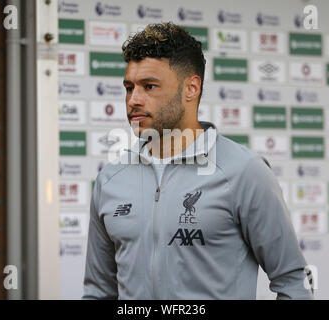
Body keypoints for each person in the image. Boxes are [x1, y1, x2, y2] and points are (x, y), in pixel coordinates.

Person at [82, 22, 313, 300]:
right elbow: (98, 292)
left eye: (149, 86)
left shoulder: (243, 172)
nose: (133, 100)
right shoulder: (110, 179)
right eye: (129, 87)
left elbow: (293, 283)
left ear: (191, 88)